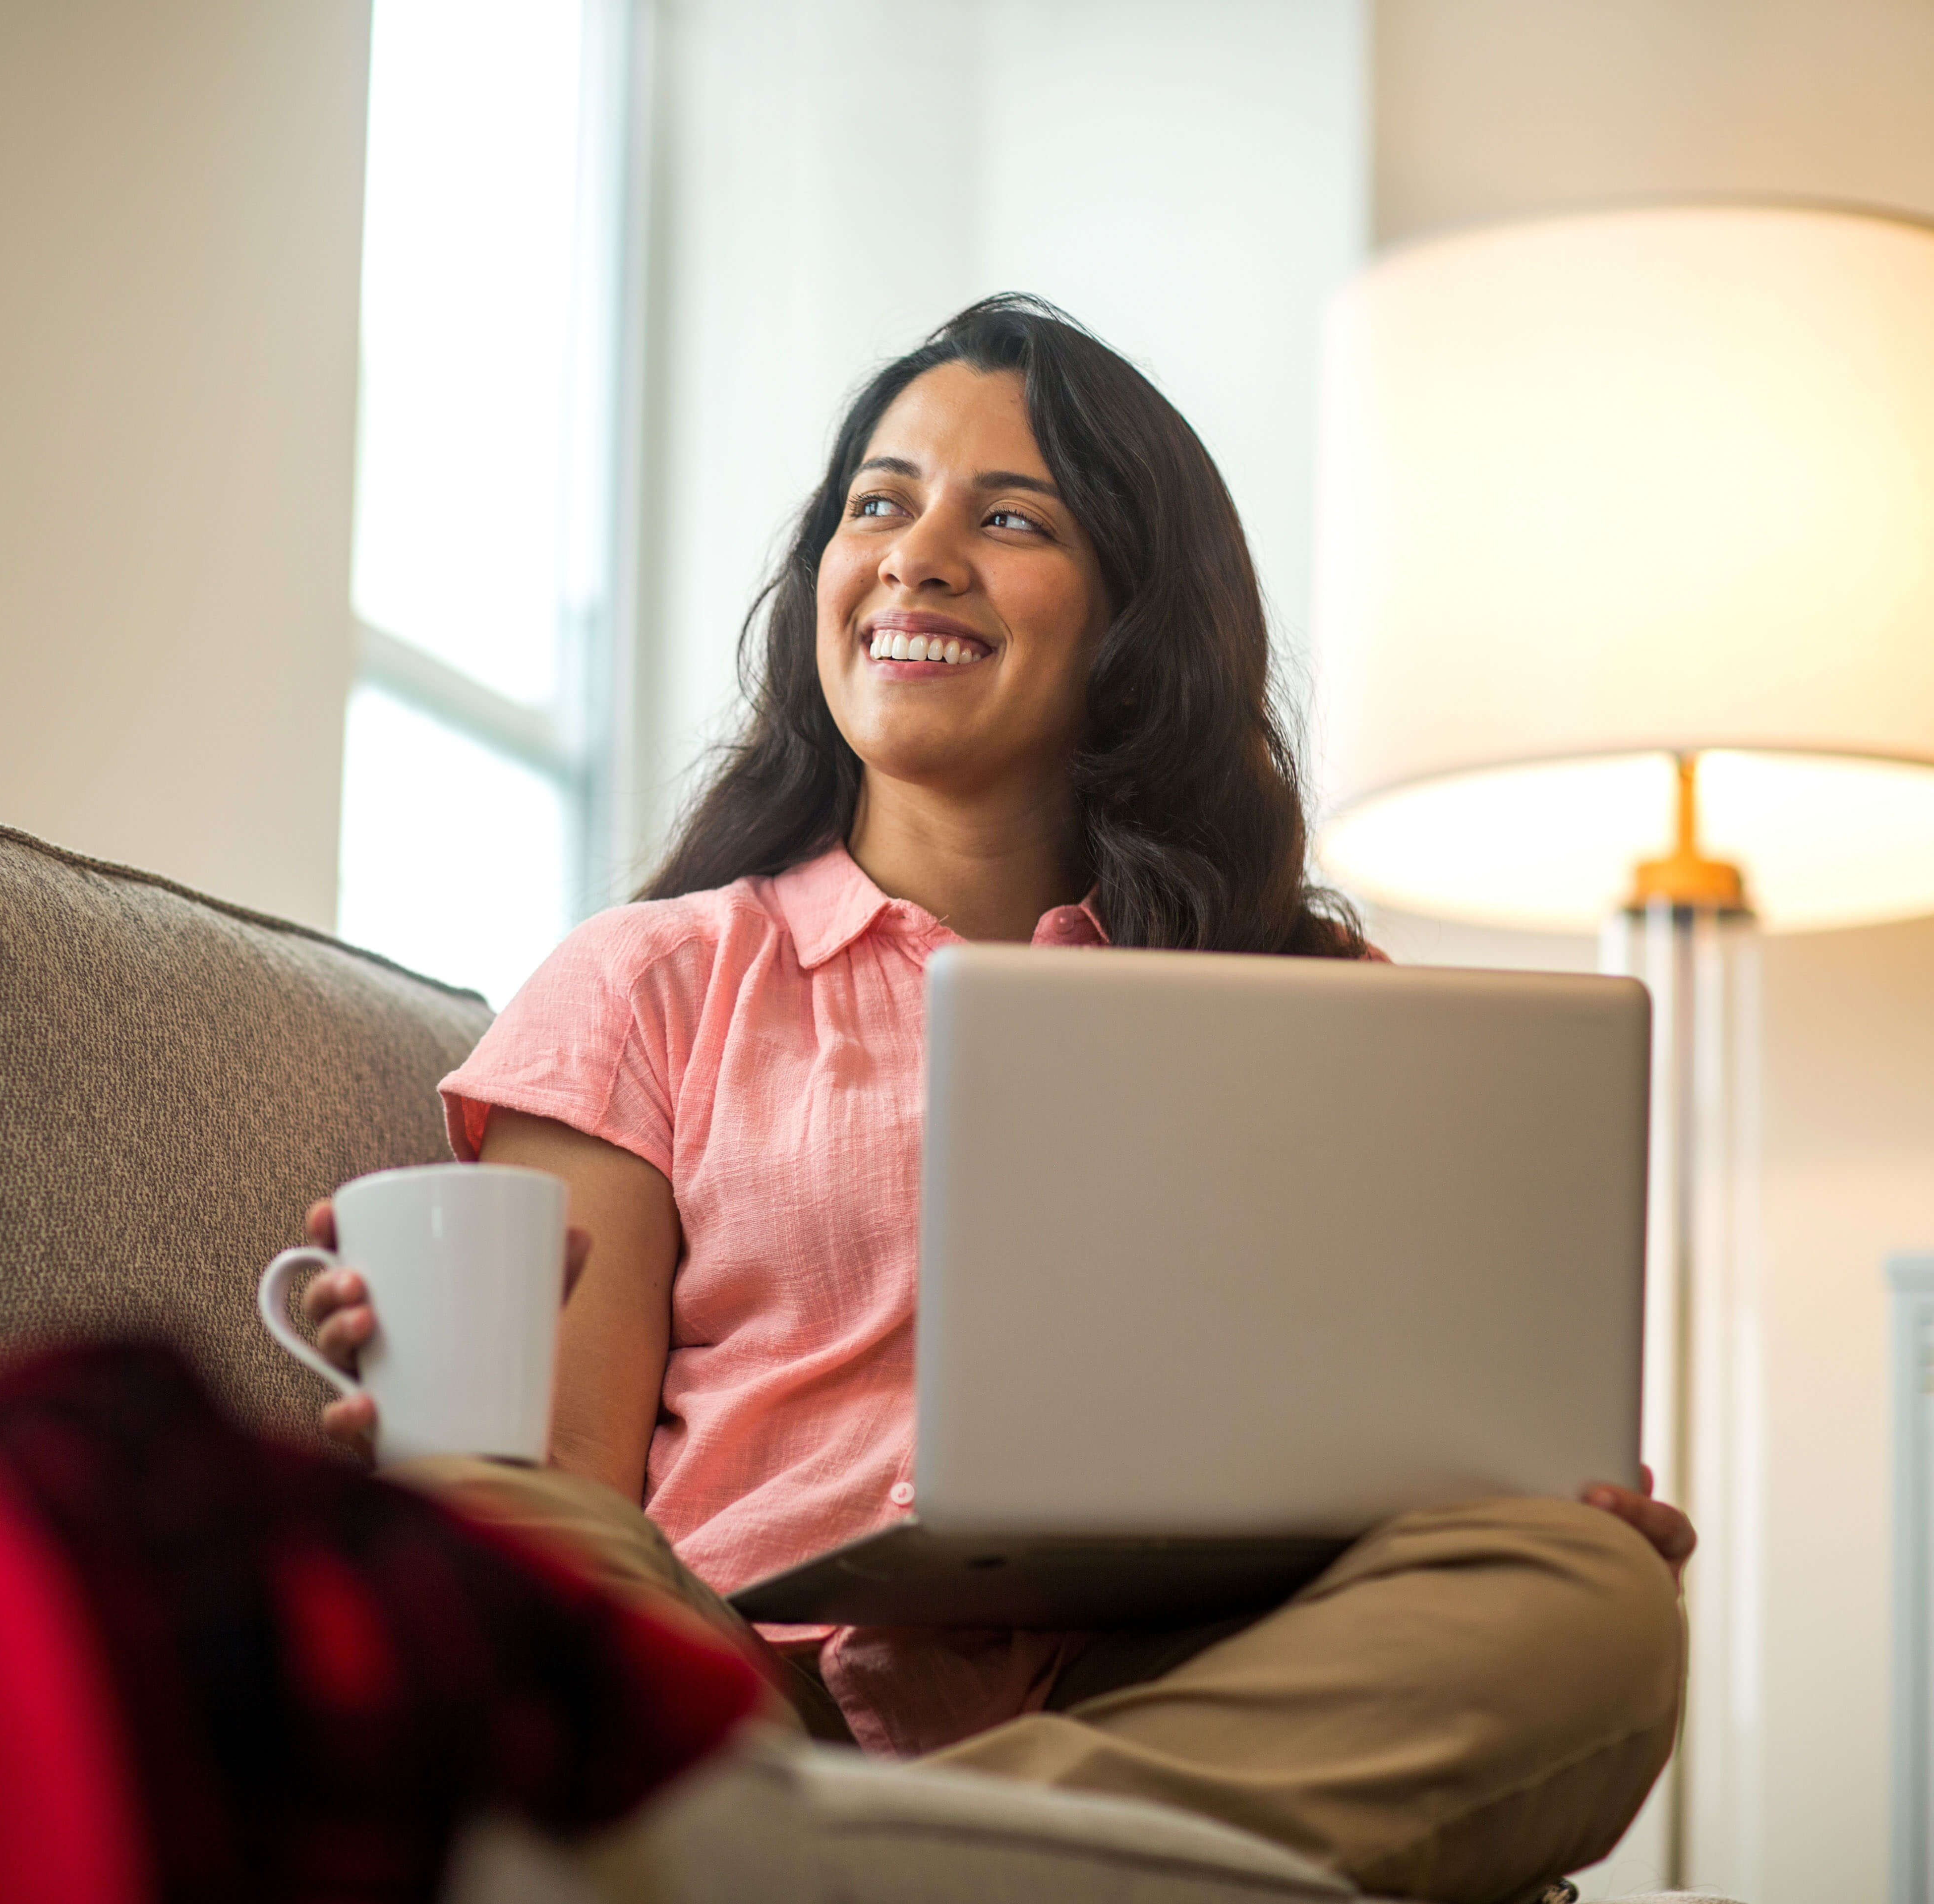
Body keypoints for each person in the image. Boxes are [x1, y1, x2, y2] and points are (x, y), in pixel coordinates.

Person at [295, 296, 1692, 1904]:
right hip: (751, 1686)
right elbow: (555, 1488)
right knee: (493, 1525)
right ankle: (1009, 1864)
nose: (914, 555)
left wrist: (1522, 1492)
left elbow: (1414, 1436)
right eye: (875, 505)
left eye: (1008, 519)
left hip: (1176, 1685)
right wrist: (444, 1418)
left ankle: (847, 1873)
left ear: (1133, 616)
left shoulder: (1305, 996)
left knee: (1583, 1595)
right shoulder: (649, 980)